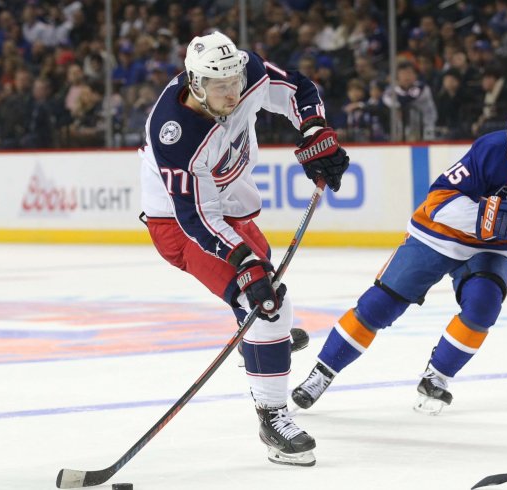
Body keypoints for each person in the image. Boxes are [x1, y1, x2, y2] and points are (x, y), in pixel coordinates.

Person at [292, 97, 507, 415]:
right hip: (437, 235)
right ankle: (321, 373)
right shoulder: (489, 150)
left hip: (489, 248)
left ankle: (436, 377)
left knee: (483, 307)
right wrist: (482, 217)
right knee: (377, 307)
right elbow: (438, 200)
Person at [138, 31, 349, 466]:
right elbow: (195, 217)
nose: (233, 91)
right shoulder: (174, 133)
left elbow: (296, 88)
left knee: (262, 294)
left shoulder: (240, 71)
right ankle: (272, 416)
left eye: (235, 80)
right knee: (267, 303)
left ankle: (259, 342)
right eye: (220, 86)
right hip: (180, 222)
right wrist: (243, 263)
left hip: (227, 201)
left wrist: (313, 128)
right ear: (196, 85)